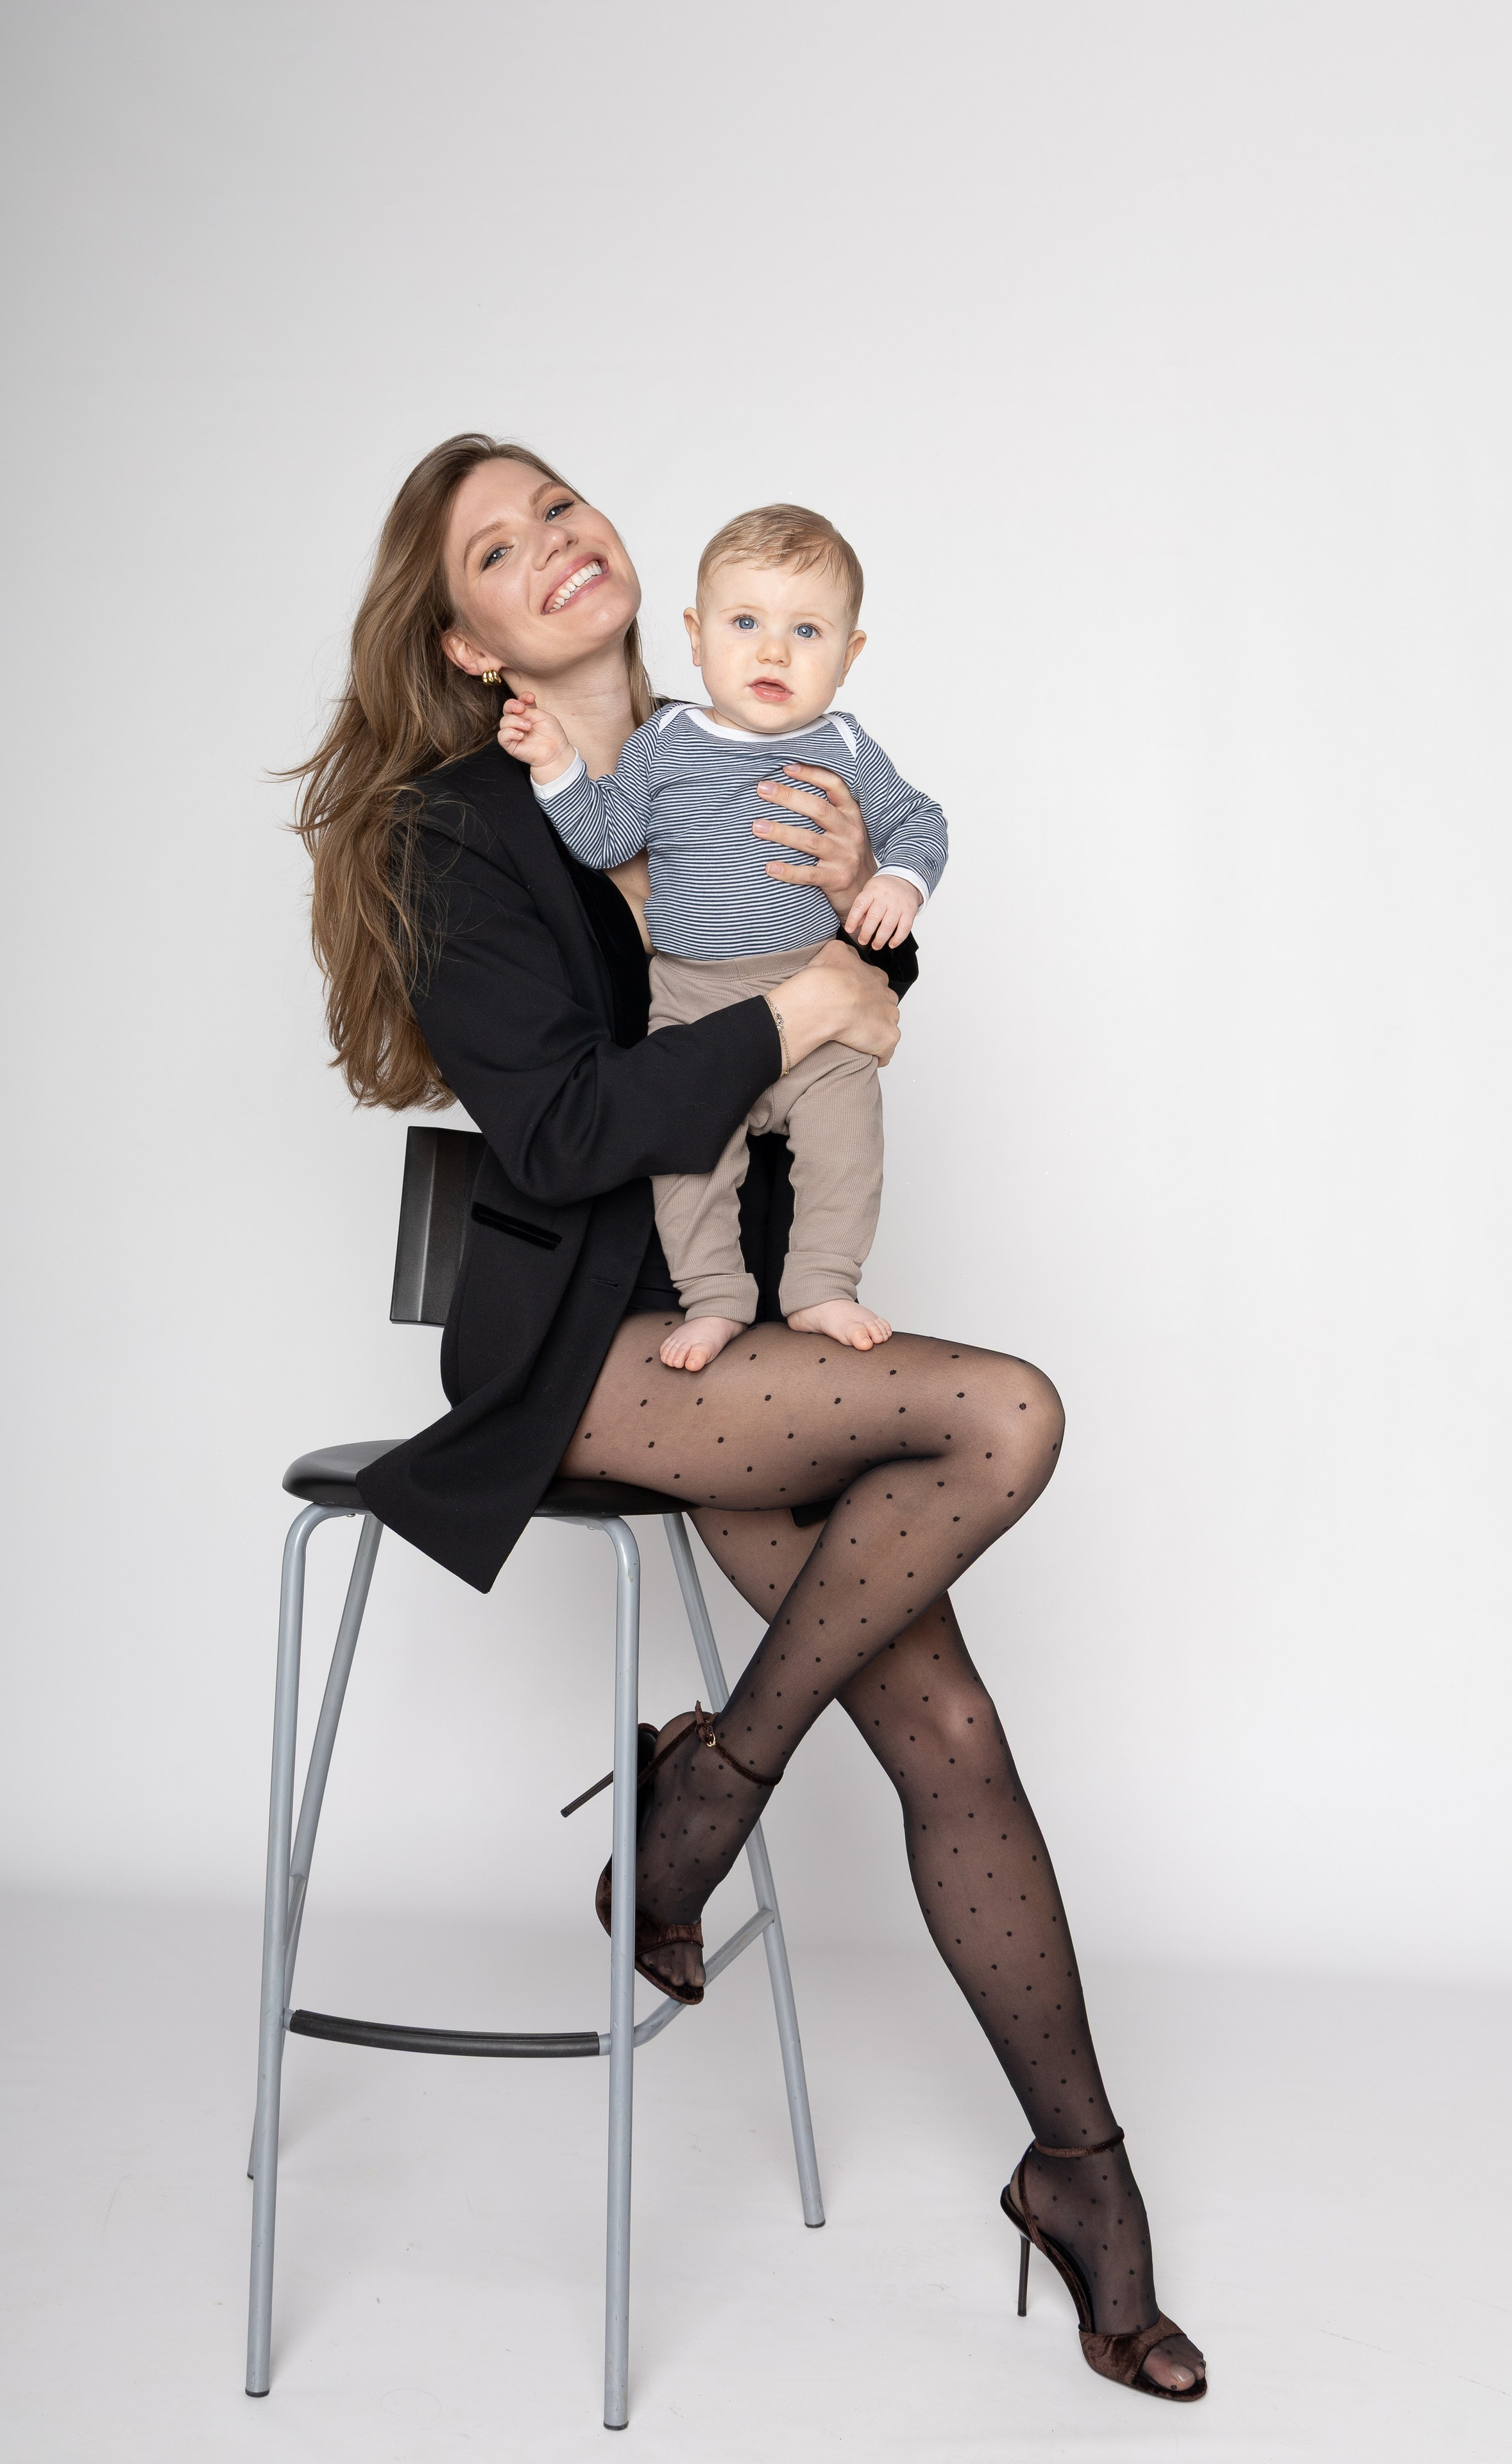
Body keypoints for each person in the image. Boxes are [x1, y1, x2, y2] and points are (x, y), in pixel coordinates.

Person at [293, 432, 1207, 2404]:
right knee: (1009, 1416)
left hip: (749, 1332)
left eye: (562, 508)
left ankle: (1079, 2183)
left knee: (952, 1722)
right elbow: (554, 1128)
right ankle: (699, 1801)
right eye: (500, 548)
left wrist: (868, 943)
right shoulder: (469, 824)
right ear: (459, 639)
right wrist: (806, 1015)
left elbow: (860, 978)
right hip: (590, 1349)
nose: (557, 546)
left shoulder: (751, 736)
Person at [498, 501, 947, 1373]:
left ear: (849, 658)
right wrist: (555, 765)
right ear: (697, 640)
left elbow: (919, 821)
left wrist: (894, 878)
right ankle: (714, 1298)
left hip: (812, 984)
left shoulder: (847, 747)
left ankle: (821, 1284)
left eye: (807, 631)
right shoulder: (663, 741)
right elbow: (604, 839)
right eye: (746, 624)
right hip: (696, 1000)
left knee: (847, 1146)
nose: (774, 652)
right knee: (691, 1163)